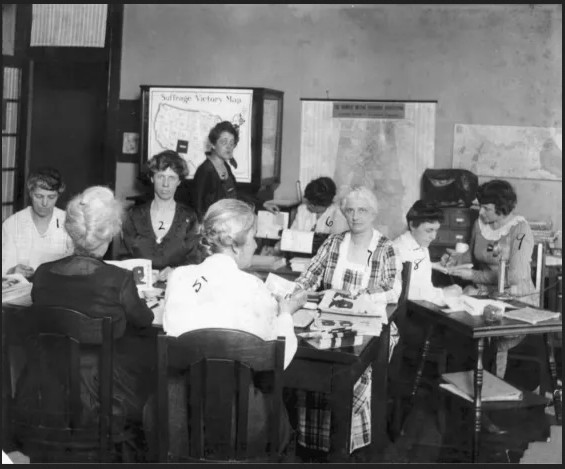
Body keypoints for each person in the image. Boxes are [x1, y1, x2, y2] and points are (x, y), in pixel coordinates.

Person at [144, 199, 307, 459]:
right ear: (234, 244)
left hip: (175, 419)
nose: (255, 244)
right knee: (280, 405)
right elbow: (279, 358)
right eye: (253, 237)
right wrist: (286, 314)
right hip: (240, 424)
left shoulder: (179, 277)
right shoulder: (254, 288)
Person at [16, 186, 156, 458]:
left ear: (71, 230)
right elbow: (145, 321)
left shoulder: (43, 275)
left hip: (46, 390)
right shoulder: (119, 280)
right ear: (109, 233)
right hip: (103, 396)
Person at [292, 185, 403, 454]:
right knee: (313, 365)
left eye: (362, 210)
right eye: (350, 210)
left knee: (351, 374)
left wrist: (362, 297)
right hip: (330, 322)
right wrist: (299, 290)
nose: (355, 216)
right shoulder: (334, 242)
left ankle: (346, 444)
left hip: (372, 326)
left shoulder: (384, 247)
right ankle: (316, 443)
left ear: (373, 213)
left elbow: (393, 290)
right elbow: (311, 275)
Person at [440, 179, 535, 378]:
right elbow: (472, 256)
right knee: (457, 322)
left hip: (515, 297)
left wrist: (474, 276)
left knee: (483, 327)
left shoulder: (520, 231)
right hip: (486, 291)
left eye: (486, 208)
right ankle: (462, 383)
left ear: (502, 207)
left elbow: (514, 277)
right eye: (480, 206)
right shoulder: (480, 224)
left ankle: (489, 383)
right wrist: (454, 260)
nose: (481, 212)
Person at [121, 150, 201, 279]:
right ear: (152, 178)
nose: (165, 184)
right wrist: (141, 273)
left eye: (172, 178)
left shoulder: (189, 217)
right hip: (139, 287)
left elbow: (194, 261)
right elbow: (124, 259)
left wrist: (175, 271)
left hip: (176, 288)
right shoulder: (133, 216)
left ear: (179, 181)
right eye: (160, 177)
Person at [2, 167, 73, 278]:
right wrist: (12, 270)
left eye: (51, 197)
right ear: (30, 193)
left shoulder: (69, 222)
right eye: (39, 196)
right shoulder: (12, 224)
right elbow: (5, 268)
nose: (45, 203)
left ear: (58, 195)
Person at [393, 200, 462, 305]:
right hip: (409, 311)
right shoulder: (397, 250)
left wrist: (434, 265)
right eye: (429, 230)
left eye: (436, 230)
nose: (433, 237)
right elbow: (402, 292)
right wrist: (442, 293)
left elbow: (417, 271)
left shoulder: (420, 244)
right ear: (412, 225)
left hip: (423, 305)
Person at [191, 121, 240, 222]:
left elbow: (234, 194)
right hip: (212, 227)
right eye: (224, 142)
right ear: (213, 144)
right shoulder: (205, 170)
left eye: (232, 143)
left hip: (228, 222)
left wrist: (263, 203)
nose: (229, 147)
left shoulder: (225, 166)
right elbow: (197, 207)